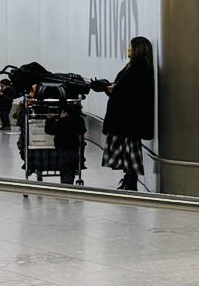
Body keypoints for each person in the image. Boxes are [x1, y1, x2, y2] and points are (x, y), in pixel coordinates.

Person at [98, 38, 154, 190]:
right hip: (129, 119)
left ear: (138, 49)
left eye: (130, 46)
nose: (128, 48)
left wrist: (111, 89)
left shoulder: (140, 66)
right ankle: (129, 180)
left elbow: (130, 91)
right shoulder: (137, 66)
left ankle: (131, 182)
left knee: (130, 151)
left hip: (129, 119)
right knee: (128, 152)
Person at [46, 99, 86, 186]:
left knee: (65, 170)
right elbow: (82, 130)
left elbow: (50, 130)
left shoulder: (62, 123)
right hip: (75, 150)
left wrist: (50, 120)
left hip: (64, 151)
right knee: (71, 170)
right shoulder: (79, 121)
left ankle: (66, 188)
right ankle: (69, 185)